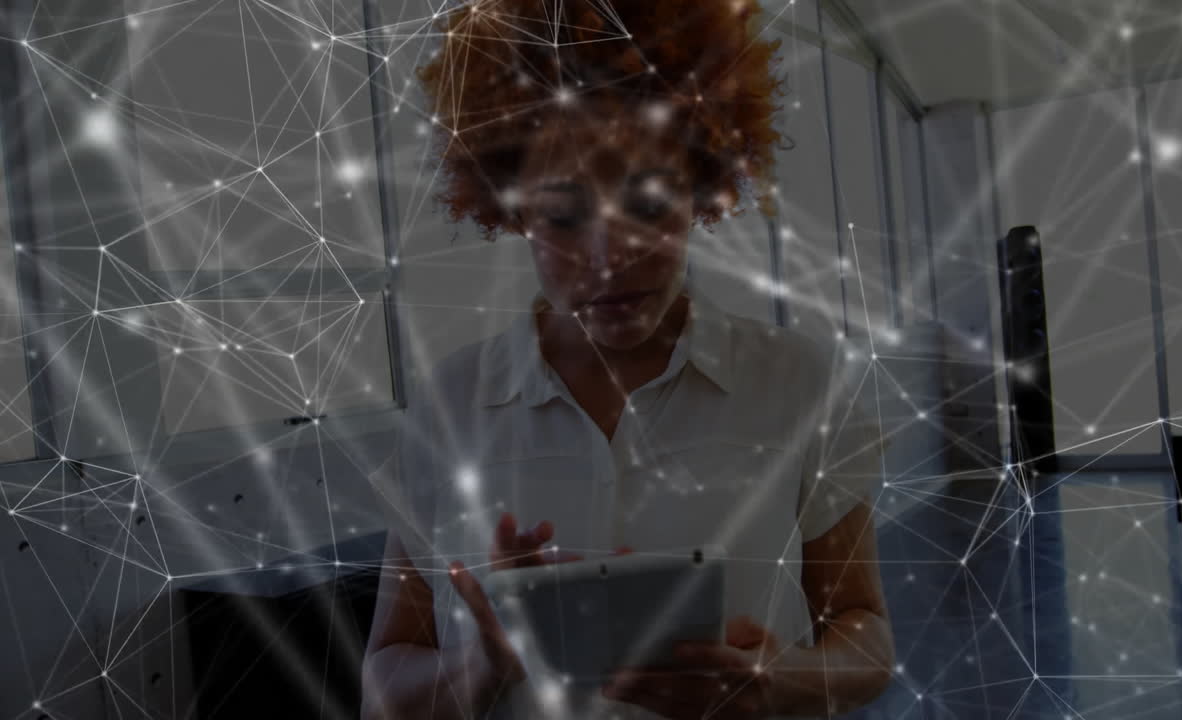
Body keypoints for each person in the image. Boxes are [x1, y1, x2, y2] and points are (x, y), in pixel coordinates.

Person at [361, 1, 893, 718]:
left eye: (647, 204)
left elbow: (866, 635)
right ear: (513, 210)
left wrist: (785, 679)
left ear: (702, 189)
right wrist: (477, 667)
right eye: (564, 216)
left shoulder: (797, 384)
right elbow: (384, 678)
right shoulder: (451, 405)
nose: (611, 261)